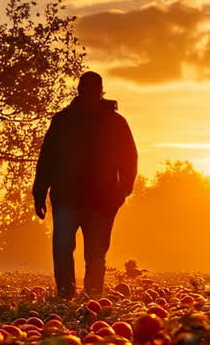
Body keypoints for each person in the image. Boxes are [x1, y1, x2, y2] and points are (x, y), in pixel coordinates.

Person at [33, 71, 138, 298]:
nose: (89, 95)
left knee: (95, 252)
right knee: (64, 248)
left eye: (92, 92)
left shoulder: (115, 123)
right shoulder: (62, 121)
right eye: (85, 91)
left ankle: (92, 296)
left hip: (101, 200)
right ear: (79, 92)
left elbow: (129, 158)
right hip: (67, 198)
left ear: (100, 93)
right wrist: (39, 193)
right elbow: (48, 158)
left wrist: (122, 192)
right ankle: (66, 294)